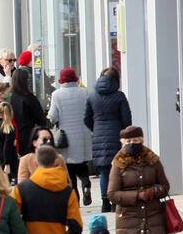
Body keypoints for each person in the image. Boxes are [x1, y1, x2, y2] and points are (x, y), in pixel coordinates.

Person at [85, 67, 132, 213]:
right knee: (118, 169)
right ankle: (115, 202)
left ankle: (105, 202)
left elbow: (86, 118)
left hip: (98, 135)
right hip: (117, 136)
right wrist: (125, 133)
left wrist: (96, 128)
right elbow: (126, 119)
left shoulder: (92, 96)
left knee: (104, 171)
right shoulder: (119, 96)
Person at [48, 67, 93, 205]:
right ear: (75, 79)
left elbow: (53, 117)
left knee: (70, 169)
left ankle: (76, 199)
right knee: (82, 165)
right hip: (83, 134)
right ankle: (86, 184)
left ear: (61, 80)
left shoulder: (57, 95)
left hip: (66, 137)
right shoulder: (85, 93)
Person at [9, 68, 46, 156]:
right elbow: (41, 119)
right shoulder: (29, 98)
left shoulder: (10, 98)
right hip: (28, 136)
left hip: (12, 136)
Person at [0, 102, 19, 182]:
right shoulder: (9, 128)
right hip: (8, 162)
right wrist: (7, 163)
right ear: (10, 112)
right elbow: (7, 148)